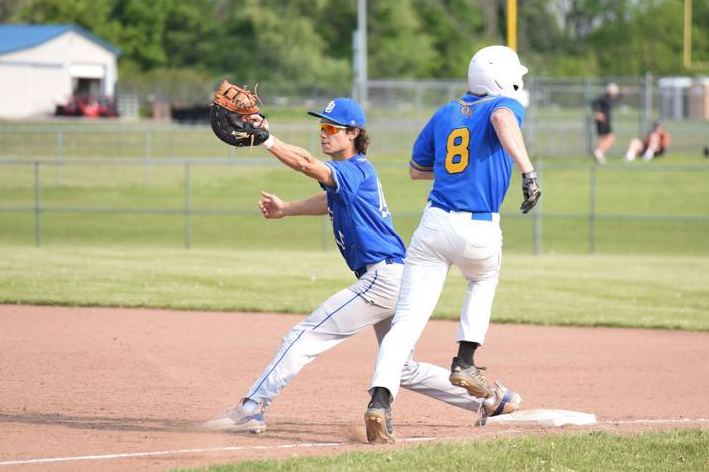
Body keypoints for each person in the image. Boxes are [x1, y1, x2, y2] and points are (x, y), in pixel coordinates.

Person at [202, 97, 513, 434]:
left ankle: (251, 408)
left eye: (332, 127)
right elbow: (330, 199)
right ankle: (493, 401)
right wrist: (286, 208)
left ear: (353, 133)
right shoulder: (354, 173)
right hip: (398, 277)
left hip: (382, 279)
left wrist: (267, 139)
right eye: (322, 126)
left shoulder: (354, 169)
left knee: (305, 335)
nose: (324, 133)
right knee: (402, 368)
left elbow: (307, 164)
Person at [364, 45, 540, 444]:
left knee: (405, 322)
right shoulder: (503, 105)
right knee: (483, 280)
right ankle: (465, 359)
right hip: (478, 226)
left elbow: (414, 169)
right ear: (502, 79)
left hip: (434, 224)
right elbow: (500, 116)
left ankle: (380, 402)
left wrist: (455, 173)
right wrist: (528, 171)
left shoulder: (444, 113)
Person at [591, 82, 620, 164]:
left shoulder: (609, 98)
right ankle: (599, 152)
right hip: (602, 122)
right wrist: (597, 113)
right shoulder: (603, 97)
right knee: (610, 137)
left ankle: (599, 154)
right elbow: (593, 103)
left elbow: (617, 100)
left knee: (604, 137)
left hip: (606, 121)